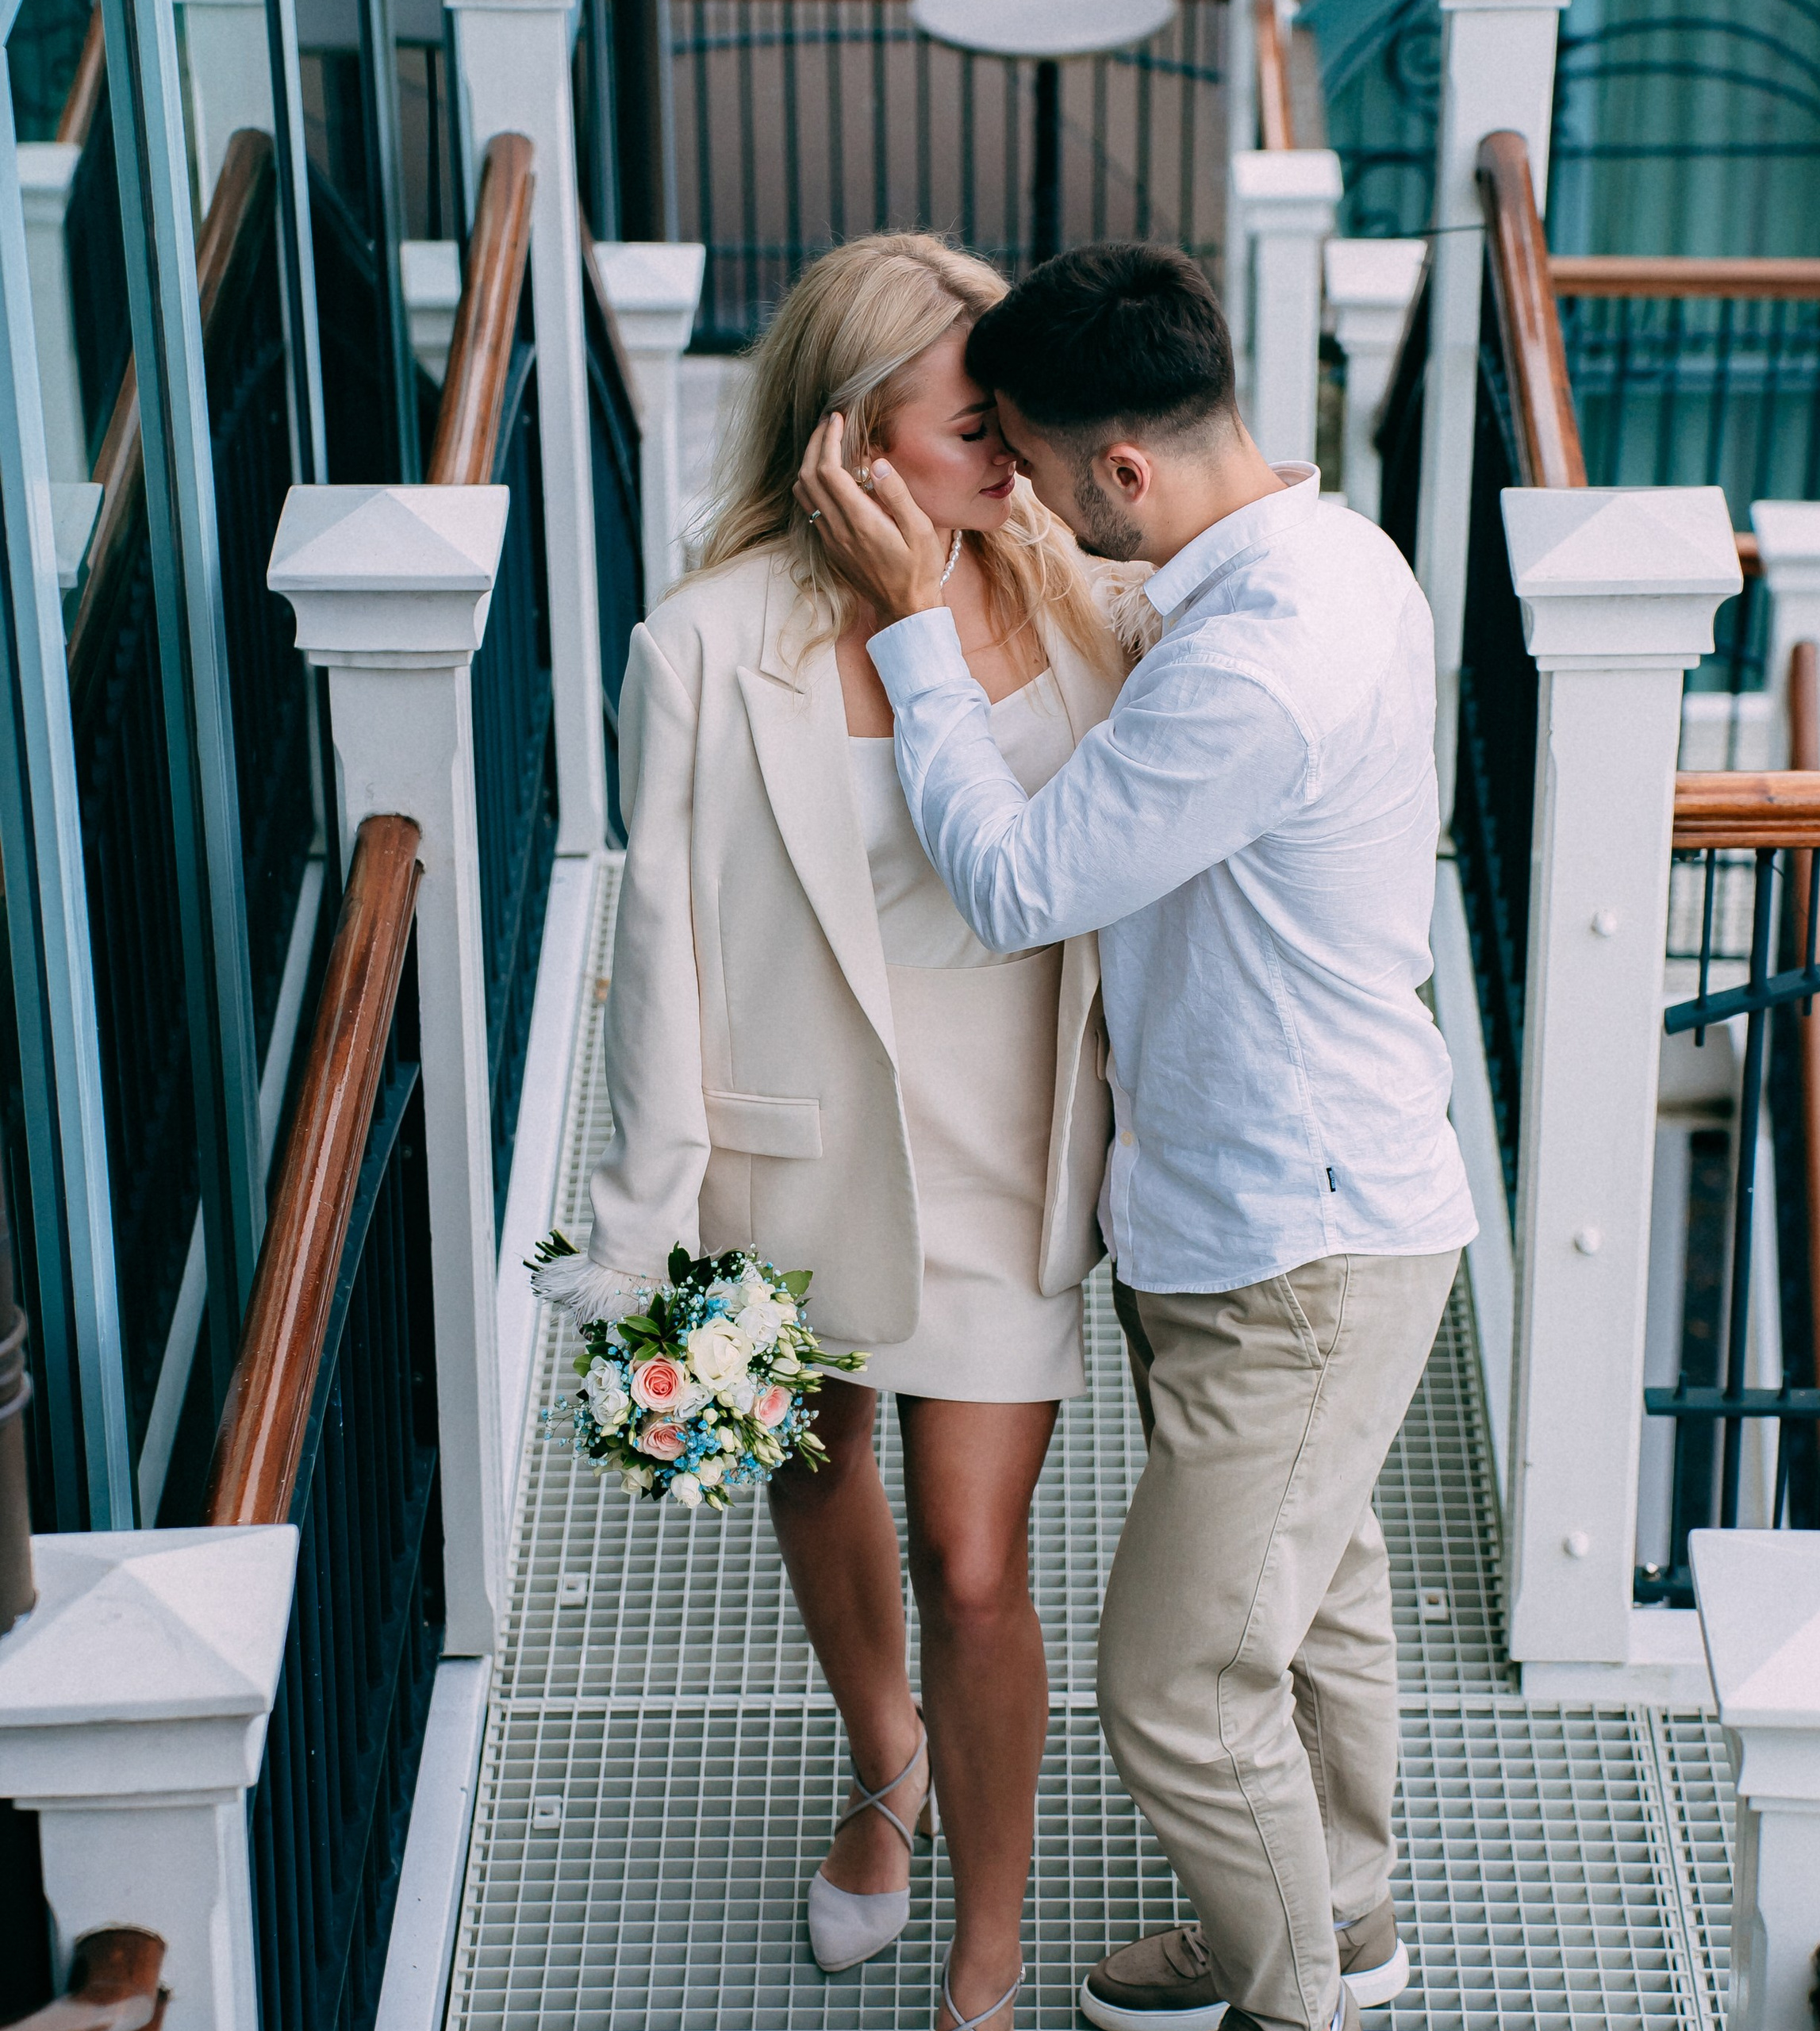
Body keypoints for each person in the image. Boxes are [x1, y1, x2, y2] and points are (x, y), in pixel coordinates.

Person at [796, 241, 1477, 2031]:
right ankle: (1340, 1918)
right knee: (1312, 1595)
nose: (999, 482)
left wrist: (912, 631)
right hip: (1263, 1205)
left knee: (1173, 1677)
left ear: (1119, 466)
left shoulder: (1255, 657)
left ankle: (1293, 2001)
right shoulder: (1333, 554)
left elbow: (1019, 882)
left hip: (1297, 1241)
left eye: (1015, 450)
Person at [563, 233, 1137, 2031]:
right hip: (794, 1151)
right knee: (819, 1475)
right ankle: (878, 1756)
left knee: (976, 1558)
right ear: (844, 439)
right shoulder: (699, 647)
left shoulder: (1075, 587)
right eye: (969, 419)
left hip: (1010, 1147)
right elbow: (658, 958)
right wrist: (640, 1245)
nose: (1008, 450)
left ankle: (989, 1924)